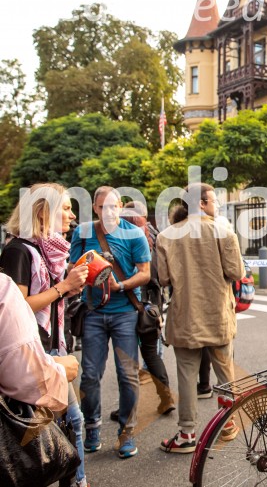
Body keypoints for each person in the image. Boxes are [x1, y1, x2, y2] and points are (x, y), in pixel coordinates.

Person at [0, 183, 90, 487]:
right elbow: (18, 307)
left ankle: (74, 479)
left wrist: (69, 285)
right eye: (64, 208)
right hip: (33, 353)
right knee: (39, 427)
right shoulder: (18, 251)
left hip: (53, 345)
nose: (72, 215)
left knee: (67, 422)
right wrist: (63, 288)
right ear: (43, 212)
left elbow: (48, 299)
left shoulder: (47, 251)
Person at [156, 183, 245, 454]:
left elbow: (162, 278)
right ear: (203, 204)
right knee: (225, 372)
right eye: (214, 201)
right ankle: (227, 424)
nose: (216, 205)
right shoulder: (223, 231)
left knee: (185, 374)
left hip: (184, 316)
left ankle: (186, 434)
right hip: (217, 313)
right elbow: (236, 271)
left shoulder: (166, 236)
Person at [70, 186, 151, 459]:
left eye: (114, 206)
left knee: (128, 375)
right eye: (104, 207)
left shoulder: (134, 233)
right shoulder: (82, 233)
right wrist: (90, 271)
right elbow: (72, 270)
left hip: (126, 312)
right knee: (90, 375)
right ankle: (92, 427)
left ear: (121, 206)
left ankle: (126, 432)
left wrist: (120, 285)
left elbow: (145, 274)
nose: (110, 211)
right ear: (95, 208)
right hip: (93, 312)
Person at [119, 202, 175, 416]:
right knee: (152, 354)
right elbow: (161, 277)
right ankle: (166, 398)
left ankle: (127, 408)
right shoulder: (154, 238)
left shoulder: (124, 238)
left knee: (127, 357)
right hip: (151, 306)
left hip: (127, 303)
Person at [0, 272, 79, 412]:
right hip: (37, 355)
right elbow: (24, 376)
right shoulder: (19, 254)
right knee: (75, 419)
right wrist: (65, 285)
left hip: (48, 347)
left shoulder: (49, 261)